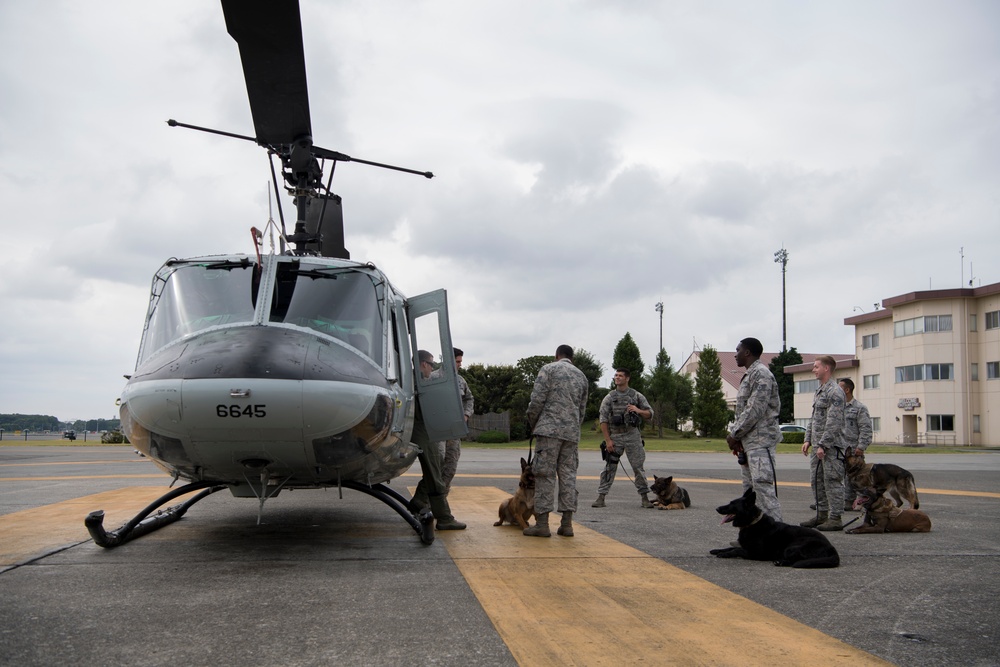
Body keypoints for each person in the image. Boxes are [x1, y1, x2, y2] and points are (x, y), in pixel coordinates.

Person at [522, 344, 589, 537]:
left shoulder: (548, 369)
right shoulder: (581, 376)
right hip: (571, 434)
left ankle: (542, 524)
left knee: (544, 475)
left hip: (549, 432)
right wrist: (573, 428)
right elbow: (582, 410)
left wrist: (535, 424)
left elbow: (536, 401)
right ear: (572, 358)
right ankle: (566, 524)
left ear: (556, 355)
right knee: (568, 477)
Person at [726, 338, 782, 521]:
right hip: (749, 442)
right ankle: (752, 536)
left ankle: (775, 535)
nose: (735, 354)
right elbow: (743, 411)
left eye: (738, 350)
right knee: (749, 493)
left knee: (763, 489)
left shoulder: (761, 374)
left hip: (761, 441)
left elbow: (754, 410)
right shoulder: (750, 375)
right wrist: (738, 438)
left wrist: (734, 434)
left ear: (747, 352)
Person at [410, 349, 466, 530]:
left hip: (427, 430)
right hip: (424, 431)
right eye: (431, 364)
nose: (431, 368)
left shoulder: (413, 380)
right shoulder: (422, 382)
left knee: (437, 471)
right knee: (436, 475)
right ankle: (443, 517)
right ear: (424, 364)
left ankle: (419, 504)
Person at [592, 368, 655, 509]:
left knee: (638, 467)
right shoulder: (609, 397)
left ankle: (645, 497)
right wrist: (608, 440)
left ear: (627, 378)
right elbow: (603, 420)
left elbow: (650, 413)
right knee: (609, 466)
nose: (617, 378)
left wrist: (637, 410)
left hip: (632, 434)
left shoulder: (636, 396)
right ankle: (601, 497)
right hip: (616, 435)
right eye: (616, 375)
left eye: (620, 376)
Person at [800, 355, 847, 531]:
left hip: (831, 447)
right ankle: (822, 515)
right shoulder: (820, 390)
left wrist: (823, 445)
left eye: (816, 366)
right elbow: (814, 418)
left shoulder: (835, 391)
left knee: (832, 481)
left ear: (826, 368)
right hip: (818, 445)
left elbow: (833, 421)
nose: (813, 370)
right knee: (817, 480)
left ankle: (835, 518)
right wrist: (808, 439)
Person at [439, 348, 474, 496]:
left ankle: (441, 501)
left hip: (454, 431)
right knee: (437, 466)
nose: (460, 364)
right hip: (437, 431)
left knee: (450, 467)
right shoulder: (433, 378)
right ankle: (425, 503)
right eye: (458, 361)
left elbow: (469, 399)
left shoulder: (460, 381)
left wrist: (466, 415)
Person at [839, 377, 873, 510]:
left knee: (855, 478)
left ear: (847, 390)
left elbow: (866, 428)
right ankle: (837, 501)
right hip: (838, 448)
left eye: (840, 387)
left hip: (853, 450)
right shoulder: (836, 407)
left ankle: (854, 501)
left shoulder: (859, 408)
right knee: (837, 476)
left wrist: (861, 446)